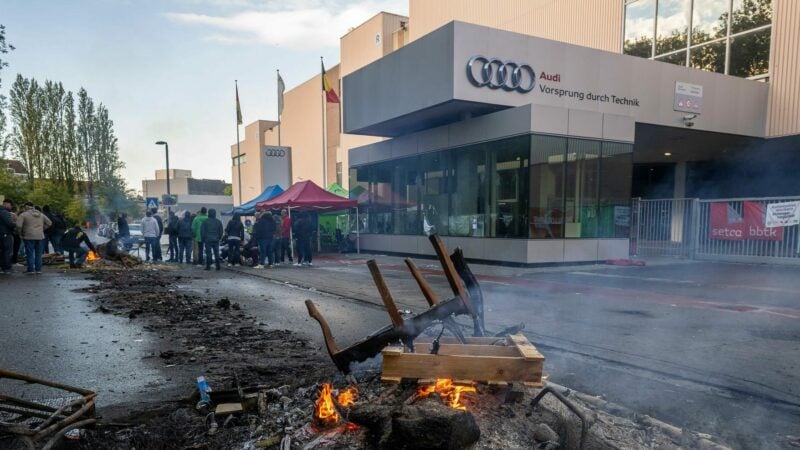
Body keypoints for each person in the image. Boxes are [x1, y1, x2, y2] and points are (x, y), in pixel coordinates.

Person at [16, 202, 52, 274]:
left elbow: (18, 226)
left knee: (30, 254)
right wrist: (42, 229)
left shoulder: (23, 215)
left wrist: (20, 233)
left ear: (25, 207)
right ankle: (38, 270)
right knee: (38, 254)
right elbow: (49, 223)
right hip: (40, 236)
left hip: (28, 236)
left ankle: (31, 270)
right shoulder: (41, 214)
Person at [0, 199, 16, 274]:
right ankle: (6, 268)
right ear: (6, 204)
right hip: (6, 233)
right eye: (10, 205)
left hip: (2, 233)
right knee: (7, 251)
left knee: (3, 251)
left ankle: (3, 267)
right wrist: (15, 224)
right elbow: (9, 223)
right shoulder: (5, 212)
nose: (11, 207)